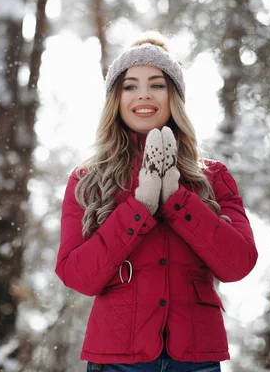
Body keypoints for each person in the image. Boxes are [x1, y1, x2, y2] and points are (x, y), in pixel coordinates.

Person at [55, 31, 258, 372]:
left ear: (174, 96)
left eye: (157, 84)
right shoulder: (88, 178)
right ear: (115, 99)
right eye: (130, 85)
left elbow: (238, 263)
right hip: (117, 359)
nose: (144, 95)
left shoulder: (213, 176)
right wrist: (141, 205)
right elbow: (79, 276)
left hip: (196, 359)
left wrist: (178, 200)